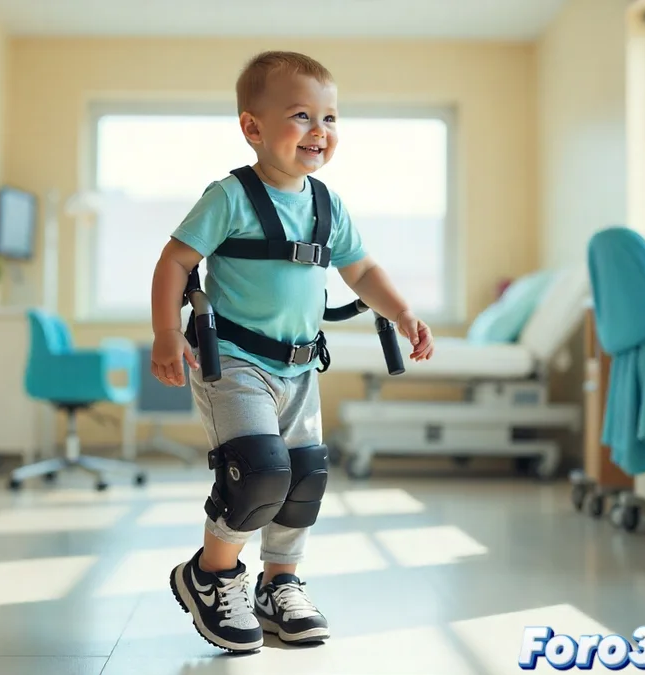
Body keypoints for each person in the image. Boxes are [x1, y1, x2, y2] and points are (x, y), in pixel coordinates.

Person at [149, 50, 436, 654]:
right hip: (233, 361)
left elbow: (363, 270)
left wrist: (402, 310)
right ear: (253, 127)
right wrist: (167, 333)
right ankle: (212, 574)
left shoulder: (329, 206)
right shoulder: (230, 196)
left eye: (330, 119)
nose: (319, 132)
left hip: (301, 368)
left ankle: (279, 584)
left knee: (304, 480)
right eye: (302, 116)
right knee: (258, 474)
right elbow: (175, 260)